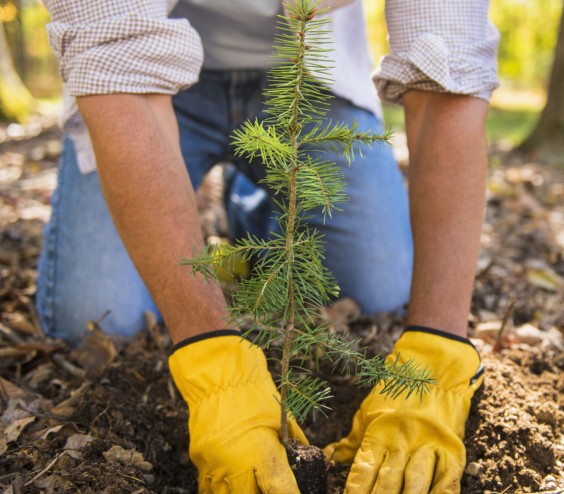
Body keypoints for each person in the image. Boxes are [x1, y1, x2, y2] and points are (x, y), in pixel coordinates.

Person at [38, 0, 498, 492]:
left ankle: (256, 211)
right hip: (143, 73)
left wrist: (438, 347)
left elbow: (450, 73)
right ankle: (246, 215)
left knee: (378, 287)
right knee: (95, 317)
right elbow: (113, 56)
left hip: (307, 73)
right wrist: (210, 357)